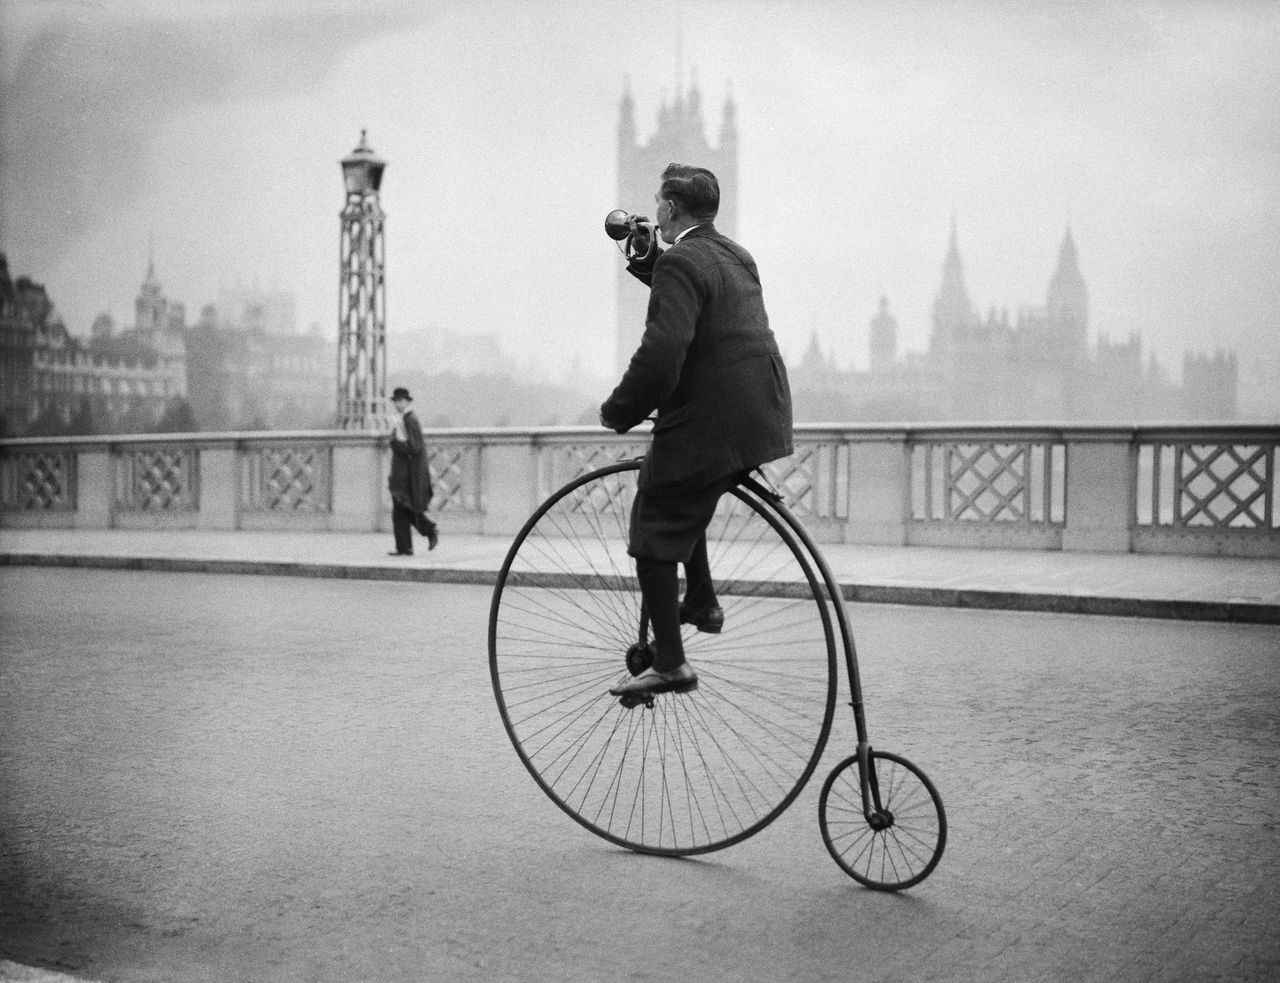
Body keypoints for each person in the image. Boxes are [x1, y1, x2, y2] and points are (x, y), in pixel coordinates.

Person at [601, 163, 793, 698]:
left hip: (712, 419)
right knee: (691, 488)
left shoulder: (683, 262)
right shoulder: (734, 255)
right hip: (761, 413)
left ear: (667, 208)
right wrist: (648, 260)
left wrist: (619, 410)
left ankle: (671, 661)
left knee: (654, 526)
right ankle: (702, 602)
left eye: (657, 205)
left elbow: (662, 357)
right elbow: (696, 291)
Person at [388, 386, 439, 555]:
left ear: (407, 402)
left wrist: (395, 443)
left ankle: (421, 535)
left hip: (407, 475)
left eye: (400, 401)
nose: (398, 404)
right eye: (396, 401)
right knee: (404, 509)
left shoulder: (409, 420)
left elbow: (414, 447)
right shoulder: (407, 419)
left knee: (403, 509)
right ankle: (407, 545)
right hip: (406, 473)